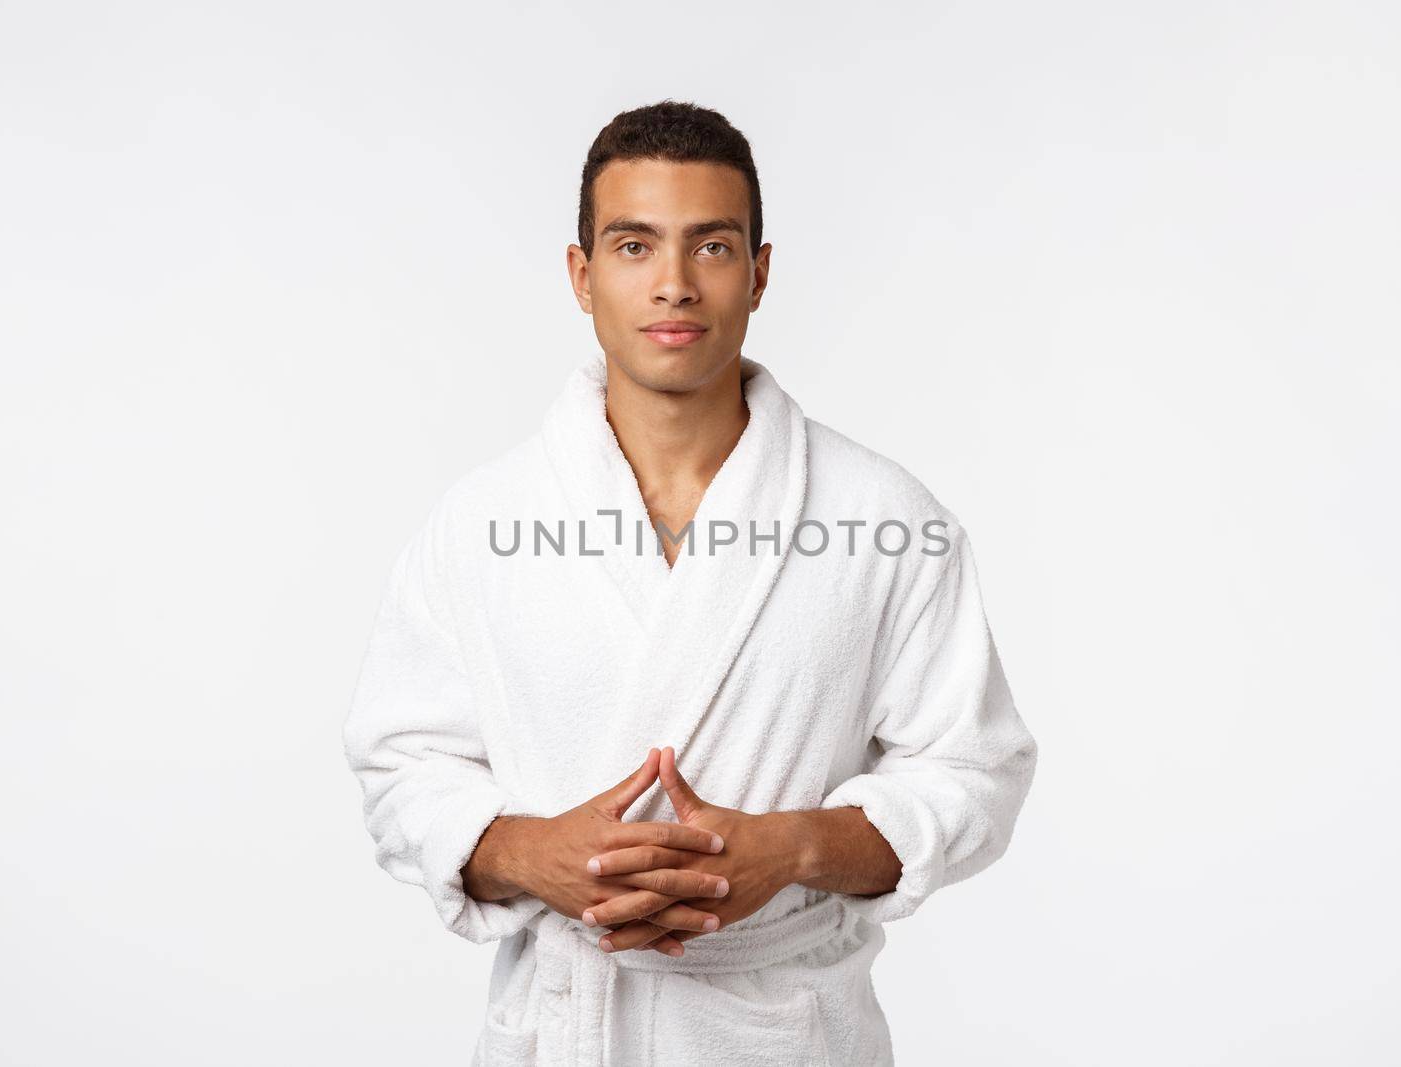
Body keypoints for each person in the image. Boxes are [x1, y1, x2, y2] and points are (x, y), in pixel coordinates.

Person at [342, 99, 1039, 1066]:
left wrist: (793, 849)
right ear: (582, 276)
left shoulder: (887, 518)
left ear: (758, 273)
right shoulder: (477, 525)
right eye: (634, 247)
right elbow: (402, 763)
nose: (672, 284)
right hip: (563, 1026)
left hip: (785, 1033)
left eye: (709, 247)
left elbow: (974, 774)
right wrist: (524, 852)